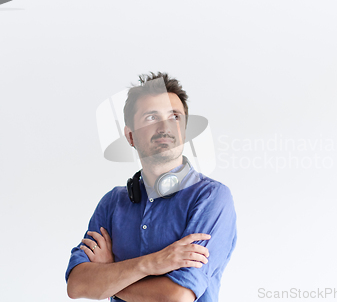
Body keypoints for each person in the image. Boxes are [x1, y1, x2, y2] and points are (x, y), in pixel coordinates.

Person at [65, 72, 237, 302]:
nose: (165, 126)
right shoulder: (112, 202)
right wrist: (152, 264)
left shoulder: (211, 198)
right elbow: (77, 286)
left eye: (175, 117)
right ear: (130, 136)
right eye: (151, 117)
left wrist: (110, 276)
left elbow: (177, 297)